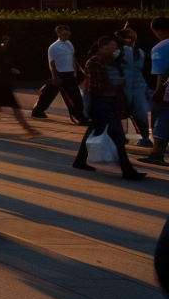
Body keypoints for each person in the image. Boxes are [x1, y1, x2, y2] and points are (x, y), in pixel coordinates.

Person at [72, 36, 148, 180]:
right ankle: (127, 170)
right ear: (101, 47)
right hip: (101, 102)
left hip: (108, 101)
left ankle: (80, 161)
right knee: (118, 135)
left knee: (94, 130)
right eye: (109, 48)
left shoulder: (115, 61)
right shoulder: (95, 61)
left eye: (114, 48)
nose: (112, 51)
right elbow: (98, 87)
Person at [32, 25, 87, 124]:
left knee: (73, 96)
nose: (66, 36)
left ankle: (79, 116)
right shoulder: (54, 47)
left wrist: (75, 71)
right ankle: (38, 110)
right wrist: (55, 75)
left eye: (67, 33)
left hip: (70, 74)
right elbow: (51, 63)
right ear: (58, 34)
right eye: (63, 34)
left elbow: (73, 58)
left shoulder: (69, 44)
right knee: (55, 94)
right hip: (60, 73)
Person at [140, 16, 169, 166]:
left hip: (167, 94)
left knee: (162, 119)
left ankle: (157, 153)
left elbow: (160, 74)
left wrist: (158, 93)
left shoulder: (161, 48)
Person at [118, 26, 152, 146]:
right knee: (138, 113)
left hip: (131, 86)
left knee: (123, 112)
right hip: (133, 86)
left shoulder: (136, 52)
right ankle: (144, 138)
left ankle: (143, 137)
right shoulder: (136, 52)